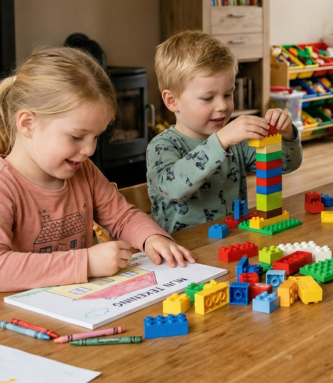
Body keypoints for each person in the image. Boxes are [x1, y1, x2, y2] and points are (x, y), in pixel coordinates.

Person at [0, 48, 195, 292]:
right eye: (77, 136)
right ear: (28, 124)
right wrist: (87, 262)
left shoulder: (84, 172)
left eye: (96, 137)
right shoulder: (4, 185)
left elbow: (123, 217)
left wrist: (151, 238)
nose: (90, 150)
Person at [147, 30, 302, 233]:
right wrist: (219, 141)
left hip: (234, 240)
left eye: (228, 94)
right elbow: (174, 188)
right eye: (208, 98)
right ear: (172, 101)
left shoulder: (236, 141)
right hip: (182, 253)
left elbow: (285, 165)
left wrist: (286, 133)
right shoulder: (162, 146)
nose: (222, 106)